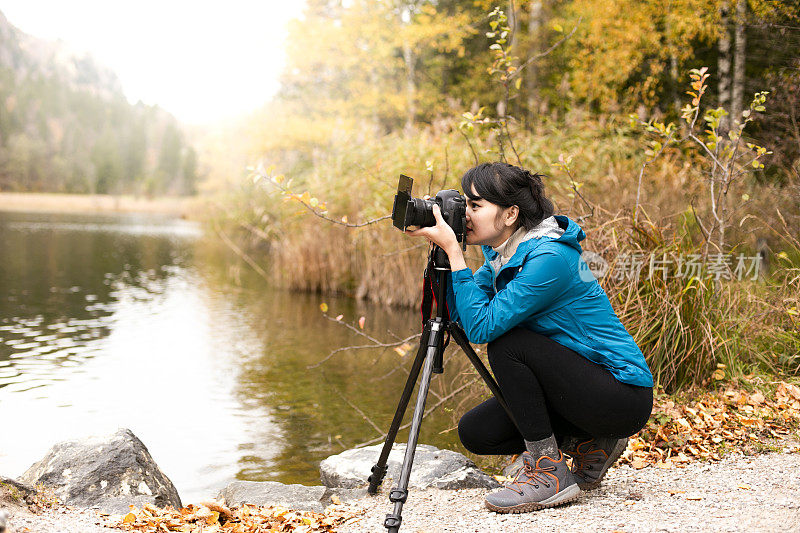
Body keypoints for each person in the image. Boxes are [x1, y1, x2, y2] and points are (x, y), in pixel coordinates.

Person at [405, 162, 653, 514]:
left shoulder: (550, 257)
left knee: (509, 343)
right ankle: (590, 444)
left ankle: (549, 474)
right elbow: (464, 317)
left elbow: (483, 329)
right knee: (476, 432)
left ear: (510, 214)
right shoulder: (501, 256)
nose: (466, 215)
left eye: (475, 206)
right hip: (577, 390)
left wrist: (458, 256)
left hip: (620, 394)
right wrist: (445, 257)